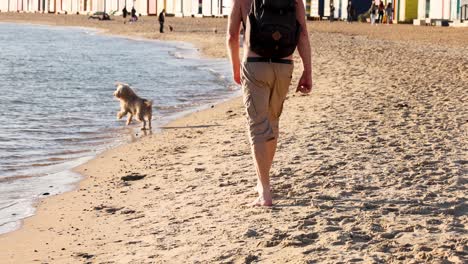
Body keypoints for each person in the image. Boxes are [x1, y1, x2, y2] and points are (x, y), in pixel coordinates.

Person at [226, 0, 312, 206]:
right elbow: (302, 34)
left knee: (257, 126)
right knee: (272, 121)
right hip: (284, 65)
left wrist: (235, 68)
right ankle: (262, 180)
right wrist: (307, 71)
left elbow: (231, 36)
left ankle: (264, 191)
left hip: (255, 64)